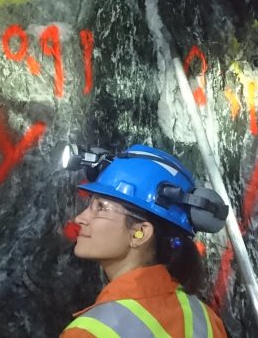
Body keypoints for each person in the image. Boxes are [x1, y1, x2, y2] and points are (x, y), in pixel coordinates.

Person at [61, 144, 230, 338]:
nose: (80, 218)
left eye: (101, 208)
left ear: (139, 233)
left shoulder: (90, 332)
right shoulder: (206, 321)